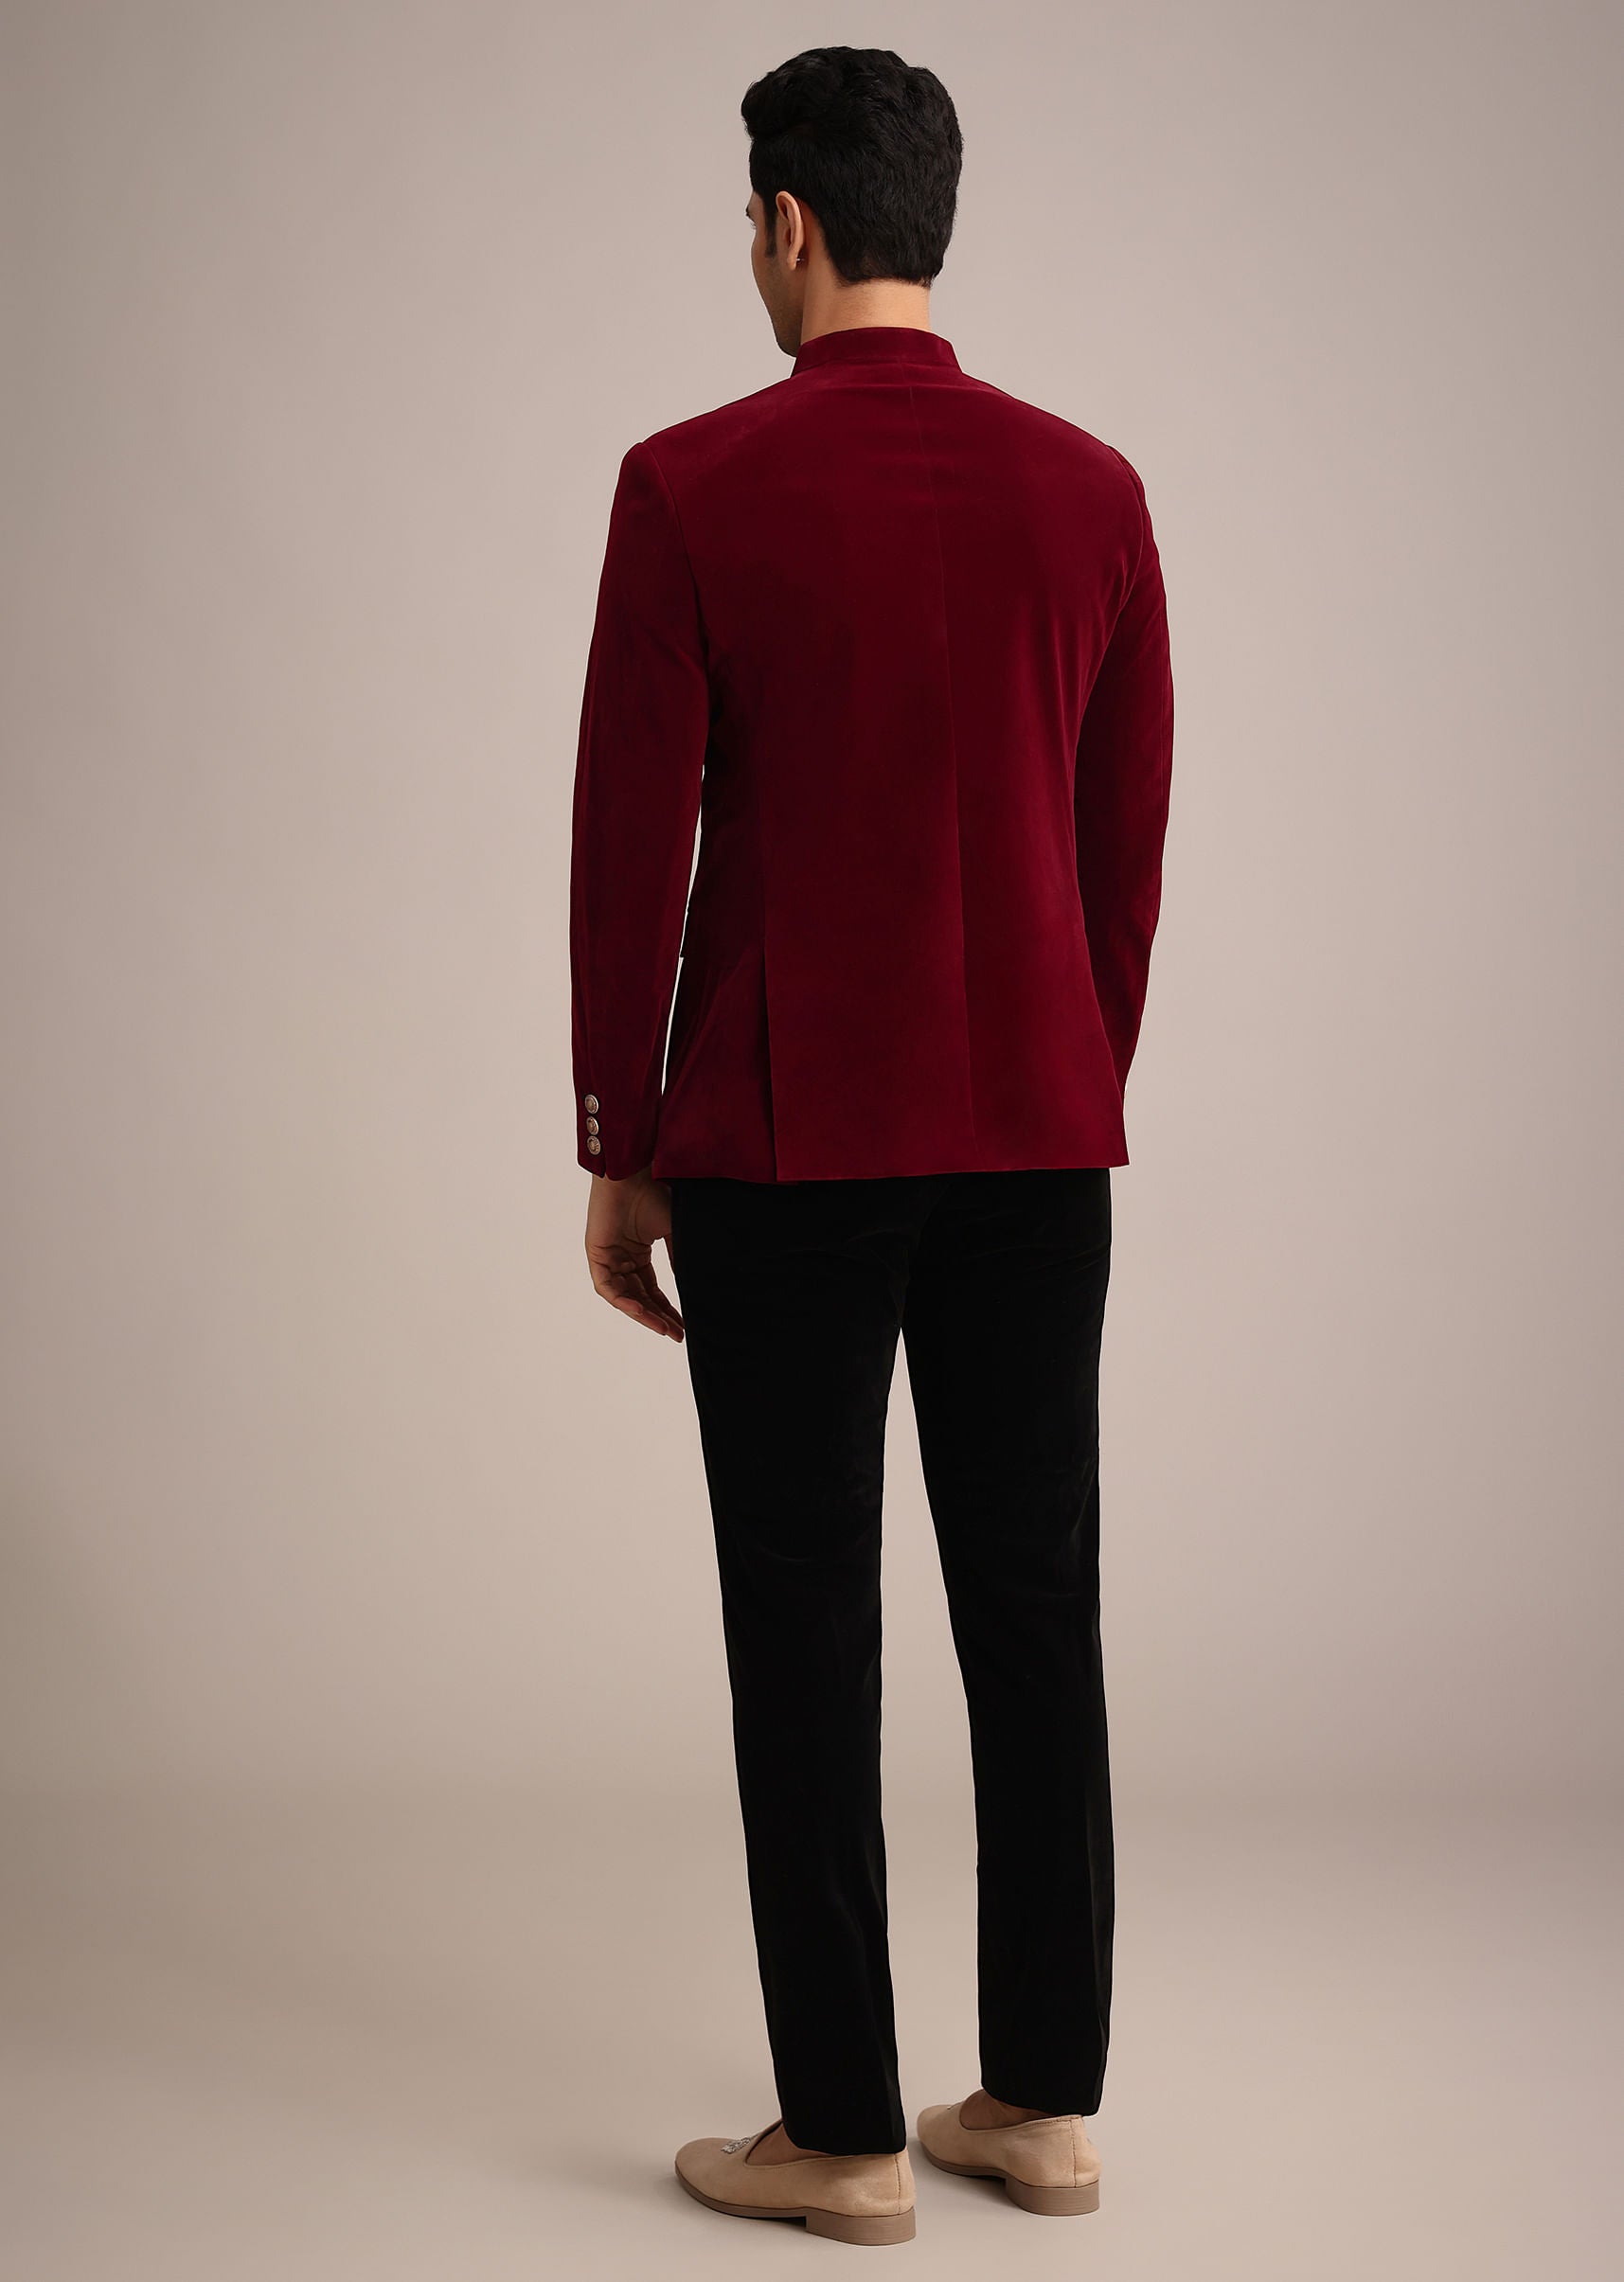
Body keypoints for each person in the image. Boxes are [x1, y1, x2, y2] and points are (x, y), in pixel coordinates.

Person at [568, 44, 1174, 2248]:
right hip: (1035, 1132)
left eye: (750, 223)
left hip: (782, 1139)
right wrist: (1063, 1072)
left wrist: (620, 1136)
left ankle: (839, 2132)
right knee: (1038, 1603)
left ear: (791, 224)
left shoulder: (690, 483)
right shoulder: (1092, 492)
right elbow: (1122, 855)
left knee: (804, 1619)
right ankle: (1045, 2104)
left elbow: (632, 846)